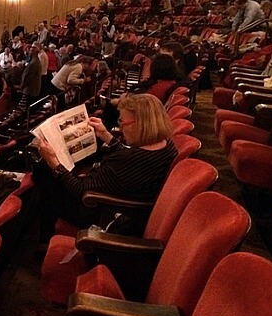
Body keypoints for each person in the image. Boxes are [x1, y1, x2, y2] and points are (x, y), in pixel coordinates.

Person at [35, 93, 177, 242]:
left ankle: (46, 240)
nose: (120, 128)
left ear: (140, 123)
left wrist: (55, 164)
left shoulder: (128, 161)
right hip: (122, 201)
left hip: (103, 210)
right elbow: (132, 160)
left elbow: (82, 192)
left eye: (122, 122)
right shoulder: (165, 144)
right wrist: (106, 135)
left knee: (45, 174)